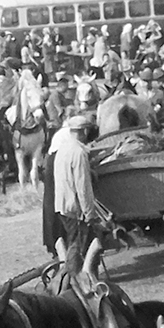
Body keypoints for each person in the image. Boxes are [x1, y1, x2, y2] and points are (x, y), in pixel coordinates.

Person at [49, 113, 112, 275]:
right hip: (75, 208)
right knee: (78, 247)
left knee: (74, 242)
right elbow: (82, 186)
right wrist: (89, 213)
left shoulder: (62, 149)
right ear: (84, 132)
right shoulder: (79, 153)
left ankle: (75, 277)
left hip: (62, 205)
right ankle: (74, 279)